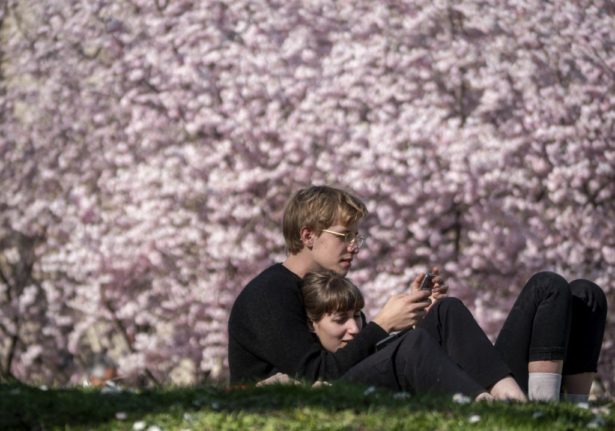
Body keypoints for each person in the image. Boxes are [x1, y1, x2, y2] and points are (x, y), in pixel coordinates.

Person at [228, 185, 607, 401]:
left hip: (344, 384)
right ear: (308, 236)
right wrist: (381, 326)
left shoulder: (322, 288)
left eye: (357, 237)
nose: (355, 247)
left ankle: (542, 409)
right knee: (409, 347)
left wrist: (408, 315)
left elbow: (350, 354)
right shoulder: (269, 295)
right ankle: (500, 412)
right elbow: (313, 377)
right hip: (294, 402)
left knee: (565, 292)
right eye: (345, 237)